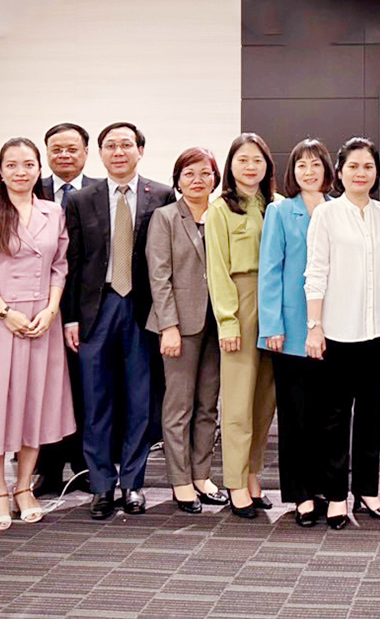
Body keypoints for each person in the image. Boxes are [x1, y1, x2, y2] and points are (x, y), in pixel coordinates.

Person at [0, 138, 74, 530]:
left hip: (42, 319)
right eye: (12, 165)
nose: (20, 172)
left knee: (32, 403)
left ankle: (25, 487)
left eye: (28, 164)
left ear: (39, 169)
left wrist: (52, 309)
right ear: (0, 170)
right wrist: (5, 312)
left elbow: (60, 265)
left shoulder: (53, 212)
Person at [63, 122, 175, 519]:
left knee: (139, 401)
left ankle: (133, 484)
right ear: (101, 152)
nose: (118, 152)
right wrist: (70, 318)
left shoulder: (161, 195)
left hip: (142, 311)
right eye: (110, 146)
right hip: (97, 309)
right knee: (96, 401)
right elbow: (73, 263)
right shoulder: (80, 199)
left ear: (140, 150)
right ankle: (101, 486)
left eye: (126, 145)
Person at [304, 137, 380, 530]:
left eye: (368, 167)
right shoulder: (327, 215)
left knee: (372, 416)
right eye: (353, 166)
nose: (361, 173)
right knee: (336, 417)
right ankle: (337, 496)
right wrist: (315, 325)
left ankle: (368, 491)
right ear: (339, 172)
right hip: (338, 333)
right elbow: (316, 272)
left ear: (376, 172)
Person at [145, 147, 229, 514]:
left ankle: (203, 476)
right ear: (177, 179)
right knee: (178, 406)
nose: (198, 180)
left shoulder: (223, 214)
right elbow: (159, 276)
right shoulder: (164, 217)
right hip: (180, 325)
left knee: (208, 405)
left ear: (216, 179)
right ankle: (180, 481)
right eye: (190, 173)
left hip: (220, 324)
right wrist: (169, 326)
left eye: (206, 173)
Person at [258, 139, 334, 527]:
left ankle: (324, 486)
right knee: (294, 414)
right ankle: (301, 494)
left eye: (316, 164)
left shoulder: (339, 209)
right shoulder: (280, 210)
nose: (309, 171)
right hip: (288, 329)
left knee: (327, 414)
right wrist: (271, 324)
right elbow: (270, 269)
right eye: (301, 165)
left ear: (326, 169)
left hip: (333, 328)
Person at [207, 133, 279, 518]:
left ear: (268, 165)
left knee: (264, 401)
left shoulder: (277, 206)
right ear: (231, 166)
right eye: (242, 160)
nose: (250, 167)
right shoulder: (220, 210)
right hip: (240, 301)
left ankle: (253, 474)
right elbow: (216, 269)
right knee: (236, 402)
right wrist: (228, 322)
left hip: (274, 305)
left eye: (258, 160)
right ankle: (234, 482)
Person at [36, 122, 98, 496]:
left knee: (83, 387)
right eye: (56, 149)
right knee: (42, 389)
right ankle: (47, 468)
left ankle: (84, 465)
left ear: (86, 152)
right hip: (37, 304)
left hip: (85, 306)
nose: (64, 155)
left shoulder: (98, 192)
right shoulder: (29, 189)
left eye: (71, 149)